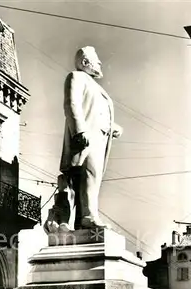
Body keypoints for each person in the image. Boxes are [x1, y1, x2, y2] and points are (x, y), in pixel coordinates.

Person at [44, 46, 122, 233]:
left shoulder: (97, 88)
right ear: (85, 62)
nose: (100, 63)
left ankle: (85, 218)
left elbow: (97, 113)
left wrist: (112, 127)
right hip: (86, 138)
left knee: (93, 178)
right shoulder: (76, 77)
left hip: (99, 137)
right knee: (88, 175)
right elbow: (71, 104)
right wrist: (79, 131)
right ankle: (88, 217)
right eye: (96, 59)